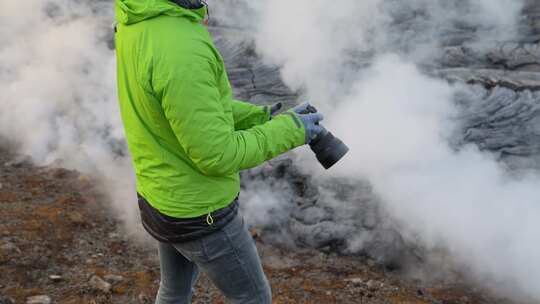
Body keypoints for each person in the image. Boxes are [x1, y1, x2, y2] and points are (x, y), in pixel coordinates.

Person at [114, 0, 325, 303]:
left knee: (174, 290)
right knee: (253, 297)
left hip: (161, 197)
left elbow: (187, 110)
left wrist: (261, 117)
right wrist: (293, 130)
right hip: (200, 213)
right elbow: (218, 155)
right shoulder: (181, 49)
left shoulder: (138, 18)